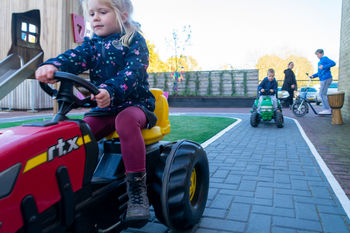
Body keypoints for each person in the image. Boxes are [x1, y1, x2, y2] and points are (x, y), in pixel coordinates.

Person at [35, 0, 155, 223]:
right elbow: (73, 58)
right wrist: (53, 65)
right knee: (80, 131)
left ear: (123, 15)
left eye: (102, 12)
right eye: (91, 13)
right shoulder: (92, 45)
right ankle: (74, 185)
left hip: (134, 105)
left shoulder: (133, 41)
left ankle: (137, 191)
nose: (95, 18)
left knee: (125, 121)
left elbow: (133, 72)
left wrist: (111, 89)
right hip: (104, 108)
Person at [310, 49, 336, 115]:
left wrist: (324, 66)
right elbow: (319, 72)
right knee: (322, 94)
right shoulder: (320, 61)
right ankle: (327, 109)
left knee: (322, 94)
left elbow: (333, 63)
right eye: (316, 55)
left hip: (326, 78)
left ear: (321, 54)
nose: (317, 56)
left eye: (318, 54)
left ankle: (327, 109)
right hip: (323, 79)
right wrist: (313, 76)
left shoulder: (324, 58)